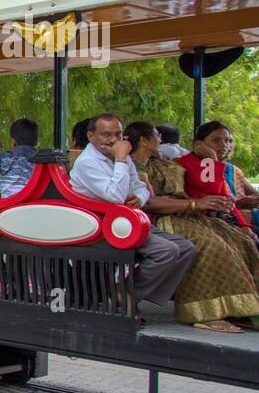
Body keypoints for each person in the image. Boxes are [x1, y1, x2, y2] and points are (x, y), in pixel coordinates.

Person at [126, 122, 259, 332]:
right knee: (211, 245)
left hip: (186, 213)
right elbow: (149, 203)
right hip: (157, 219)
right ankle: (204, 312)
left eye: (227, 140)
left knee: (242, 242)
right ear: (144, 140)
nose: (160, 138)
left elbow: (209, 193)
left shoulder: (162, 163)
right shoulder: (133, 166)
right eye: (155, 135)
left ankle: (242, 309)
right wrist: (195, 204)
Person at [68, 113, 195, 312]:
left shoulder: (123, 157)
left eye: (118, 134)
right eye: (106, 135)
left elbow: (141, 187)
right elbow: (116, 197)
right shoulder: (87, 162)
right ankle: (126, 296)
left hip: (128, 222)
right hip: (102, 227)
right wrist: (120, 160)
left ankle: (128, 293)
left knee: (187, 248)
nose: (113, 140)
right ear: (91, 136)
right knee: (166, 251)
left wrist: (139, 198)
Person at [176, 121, 256, 234]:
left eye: (228, 140)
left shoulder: (219, 166)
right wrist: (212, 158)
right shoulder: (185, 163)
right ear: (198, 145)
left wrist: (245, 226)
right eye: (216, 140)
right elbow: (213, 191)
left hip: (221, 217)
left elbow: (225, 199)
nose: (224, 145)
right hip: (198, 219)